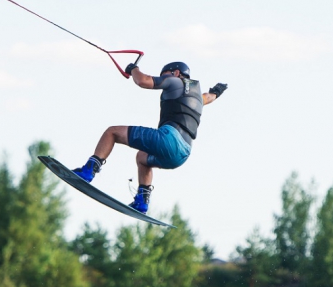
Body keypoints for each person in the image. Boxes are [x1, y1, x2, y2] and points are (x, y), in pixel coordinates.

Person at [71, 61, 228, 214]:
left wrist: (133, 68)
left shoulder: (174, 81)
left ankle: (88, 171)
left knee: (112, 132)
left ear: (176, 73)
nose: (163, 81)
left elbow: (142, 81)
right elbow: (210, 97)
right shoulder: (197, 96)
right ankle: (142, 202)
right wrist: (217, 91)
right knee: (142, 157)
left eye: (164, 75)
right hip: (183, 154)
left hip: (168, 140)